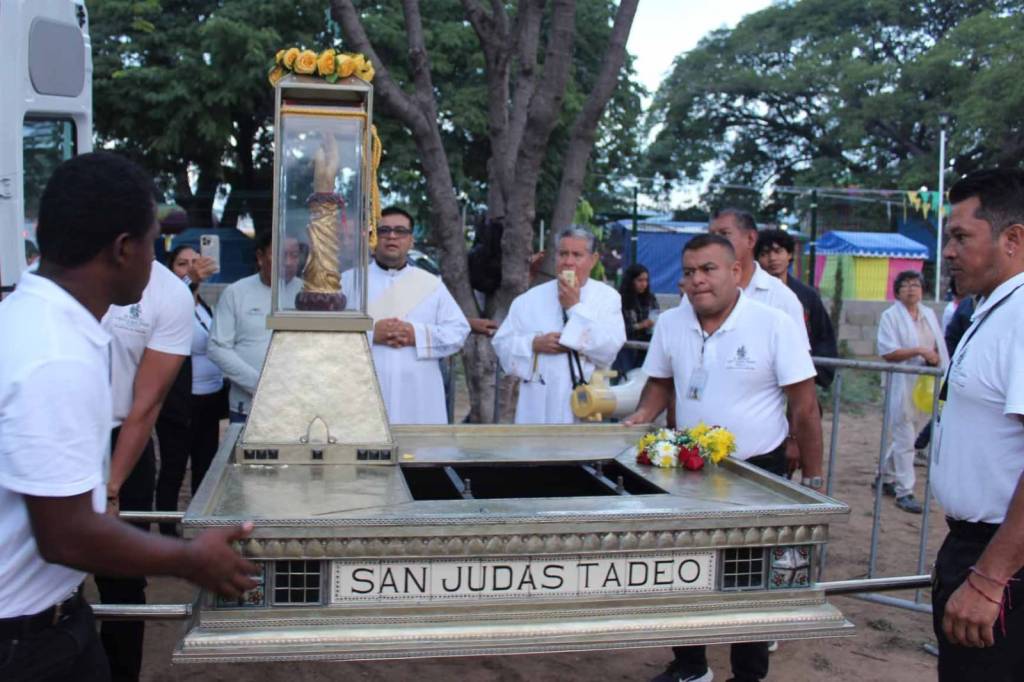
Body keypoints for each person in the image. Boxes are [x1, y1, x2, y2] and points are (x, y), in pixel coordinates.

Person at [0, 152, 257, 682]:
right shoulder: (55, 356)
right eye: (151, 243)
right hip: (24, 638)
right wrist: (189, 558)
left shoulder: (28, 317)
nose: (154, 258)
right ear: (123, 249)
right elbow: (66, 535)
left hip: (54, 616)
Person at [624, 234, 823, 682]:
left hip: (756, 472)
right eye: (689, 271)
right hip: (687, 469)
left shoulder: (774, 324)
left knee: (748, 579)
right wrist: (641, 415)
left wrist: (813, 480)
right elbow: (660, 383)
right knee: (684, 569)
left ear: (736, 272)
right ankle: (691, 666)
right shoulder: (672, 323)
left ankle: (748, 674)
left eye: (708, 269)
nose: (697, 280)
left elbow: (805, 407)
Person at [929, 168, 1024, 680]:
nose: (948, 252)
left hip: (1005, 560)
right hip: (976, 547)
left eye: (961, 237)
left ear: (1013, 239)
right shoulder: (992, 310)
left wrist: (990, 578)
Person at [342, 206, 470, 424]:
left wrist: (415, 334)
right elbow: (330, 335)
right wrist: (371, 334)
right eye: (384, 230)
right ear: (373, 238)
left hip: (419, 394)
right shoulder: (350, 282)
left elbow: (458, 332)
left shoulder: (431, 284)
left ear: (411, 240)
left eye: (400, 231)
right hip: (363, 391)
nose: (392, 236)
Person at [493, 227, 626, 424]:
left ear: (593, 259)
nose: (568, 262)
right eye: (563, 254)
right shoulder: (528, 300)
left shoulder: (607, 298)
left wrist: (574, 307)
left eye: (577, 255)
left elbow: (609, 349)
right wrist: (533, 344)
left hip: (583, 403)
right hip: (536, 404)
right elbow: (502, 344)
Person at [154, 245, 224, 536]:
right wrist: (189, 280)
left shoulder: (203, 306)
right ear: (171, 271)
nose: (191, 268)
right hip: (179, 403)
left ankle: (199, 528)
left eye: (195, 262)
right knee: (174, 467)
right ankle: (167, 531)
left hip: (209, 400)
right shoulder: (168, 303)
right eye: (182, 264)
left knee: (205, 468)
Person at [208, 230, 302, 422]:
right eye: (281, 254)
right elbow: (217, 347)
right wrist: (259, 384)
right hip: (247, 407)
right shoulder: (236, 293)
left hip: (296, 405)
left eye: (294, 255)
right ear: (260, 257)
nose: (289, 262)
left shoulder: (307, 294)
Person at [875, 270, 948, 514]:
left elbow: (938, 345)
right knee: (906, 438)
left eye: (915, 284)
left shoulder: (928, 314)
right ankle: (904, 491)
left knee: (909, 436)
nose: (911, 289)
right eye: (905, 285)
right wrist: (918, 351)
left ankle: (884, 476)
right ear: (897, 291)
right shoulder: (890, 316)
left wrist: (935, 358)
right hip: (900, 384)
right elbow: (888, 352)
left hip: (924, 384)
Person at [708, 208, 809, 348]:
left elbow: (797, 357)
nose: (715, 243)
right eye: (711, 236)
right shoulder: (699, 292)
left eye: (725, 234)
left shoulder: (781, 298)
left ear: (750, 239)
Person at [755, 228, 838, 388]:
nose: (772, 258)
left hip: (798, 376)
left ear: (790, 254)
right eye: (765, 254)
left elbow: (823, 336)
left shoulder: (807, 295)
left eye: (778, 251)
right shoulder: (751, 294)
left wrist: (816, 373)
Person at [614, 263, 660, 375]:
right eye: (640, 280)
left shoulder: (650, 298)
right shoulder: (619, 299)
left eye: (646, 280)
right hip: (626, 347)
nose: (644, 284)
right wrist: (641, 325)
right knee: (624, 378)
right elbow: (616, 328)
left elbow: (656, 314)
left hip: (646, 345)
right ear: (631, 281)